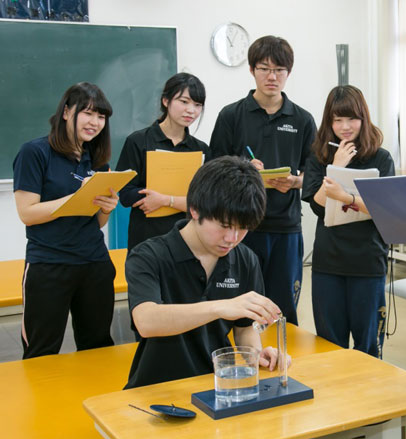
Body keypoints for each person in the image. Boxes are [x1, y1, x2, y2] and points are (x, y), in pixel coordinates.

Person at [124, 156, 317, 439]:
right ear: (195, 210)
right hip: (161, 394)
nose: (233, 238)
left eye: (243, 228)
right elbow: (146, 321)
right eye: (225, 227)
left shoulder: (245, 259)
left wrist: (256, 354)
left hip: (223, 390)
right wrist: (220, 306)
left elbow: (243, 328)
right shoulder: (150, 256)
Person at [209, 35, 317, 326]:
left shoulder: (302, 120)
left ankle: (282, 363)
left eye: (279, 70)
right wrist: (242, 169)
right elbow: (212, 170)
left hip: (286, 228)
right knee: (240, 308)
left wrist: (296, 182)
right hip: (240, 228)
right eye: (264, 68)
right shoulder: (231, 115)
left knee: (282, 310)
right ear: (252, 70)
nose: (272, 76)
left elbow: (314, 172)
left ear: (288, 73)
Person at [13, 82, 118, 359]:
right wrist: (77, 197)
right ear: (66, 112)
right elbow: (27, 213)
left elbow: (95, 223)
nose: (95, 122)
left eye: (101, 116)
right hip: (49, 265)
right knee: (41, 352)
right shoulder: (34, 152)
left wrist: (107, 208)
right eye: (88, 113)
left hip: (94, 263)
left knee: (97, 347)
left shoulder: (96, 161)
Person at [301, 85, 395, 358]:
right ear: (329, 121)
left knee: (368, 345)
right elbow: (316, 204)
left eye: (351, 119)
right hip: (328, 262)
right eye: (337, 119)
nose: (345, 126)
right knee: (330, 344)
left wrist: (344, 196)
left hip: (367, 261)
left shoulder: (381, 157)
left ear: (363, 118)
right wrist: (337, 167)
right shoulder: (319, 155)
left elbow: (385, 209)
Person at [116, 72, 209, 252]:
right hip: (146, 241)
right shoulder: (138, 141)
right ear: (166, 101)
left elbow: (206, 202)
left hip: (187, 241)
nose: (191, 110)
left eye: (197, 105)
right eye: (184, 102)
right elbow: (125, 194)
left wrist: (165, 200)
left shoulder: (201, 150)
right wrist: (149, 198)